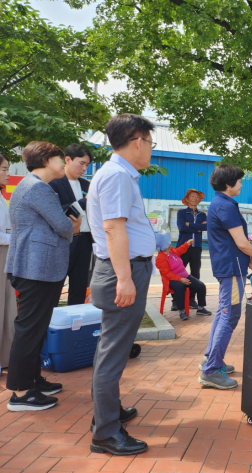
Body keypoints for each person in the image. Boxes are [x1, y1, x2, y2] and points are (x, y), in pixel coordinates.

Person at [86, 114, 157, 455]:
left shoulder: (119, 174)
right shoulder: (117, 176)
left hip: (124, 269)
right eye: (150, 142)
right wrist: (126, 279)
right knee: (113, 353)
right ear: (136, 141)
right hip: (122, 272)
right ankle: (105, 433)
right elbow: (114, 230)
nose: (151, 150)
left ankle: (107, 413)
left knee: (111, 349)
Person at [4, 142, 81, 411]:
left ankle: (33, 380)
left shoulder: (30, 186)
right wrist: (75, 227)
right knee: (29, 329)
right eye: (61, 158)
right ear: (47, 160)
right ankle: (22, 393)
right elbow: (62, 226)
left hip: (36, 266)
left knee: (35, 327)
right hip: (36, 267)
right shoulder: (38, 187)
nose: (64, 163)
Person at [200, 164, 252, 389]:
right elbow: (242, 242)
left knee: (223, 313)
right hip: (231, 268)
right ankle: (211, 370)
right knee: (230, 314)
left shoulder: (220, 203)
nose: (242, 184)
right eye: (239, 181)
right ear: (228, 184)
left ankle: (210, 359)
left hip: (229, 266)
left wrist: (250, 257)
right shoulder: (225, 206)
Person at [50, 144, 93, 305]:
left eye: (87, 165)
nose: (84, 168)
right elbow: (63, 212)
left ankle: (75, 325)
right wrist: (85, 200)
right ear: (67, 160)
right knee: (56, 285)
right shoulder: (54, 184)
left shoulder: (86, 185)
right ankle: (50, 323)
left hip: (85, 240)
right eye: (81, 163)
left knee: (80, 285)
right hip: (64, 241)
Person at [155, 233, 211, 320]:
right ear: (164, 245)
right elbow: (167, 274)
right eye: (168, 242)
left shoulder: (172, 251)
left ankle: (201, 308)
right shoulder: (160, 258)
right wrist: (180, 279)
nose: (170, 244)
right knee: (180, 287)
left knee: (200, 285)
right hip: (172, 279)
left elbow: (179, 251)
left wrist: (187, 244)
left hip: (184, 275)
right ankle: (181, 311)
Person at [0, 153, 18, 373]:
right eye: (3, 169)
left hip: (5, 254)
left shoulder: (3, 198)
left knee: (7, 308)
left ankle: (6, 357)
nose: (8, 173)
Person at [176, 189, 206, 308]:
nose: (195, 198)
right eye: (192, 196)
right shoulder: (181, 213)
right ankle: (176, 301)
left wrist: (190, 225)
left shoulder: (202, 214)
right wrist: (198, 228)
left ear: (199, 200)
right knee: (179, 273)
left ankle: (191, 299)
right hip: (182, 248)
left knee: (195, 273)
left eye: (197, 197)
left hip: (196, 248)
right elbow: (182, 227)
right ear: (187, 199)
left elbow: (207, 227)